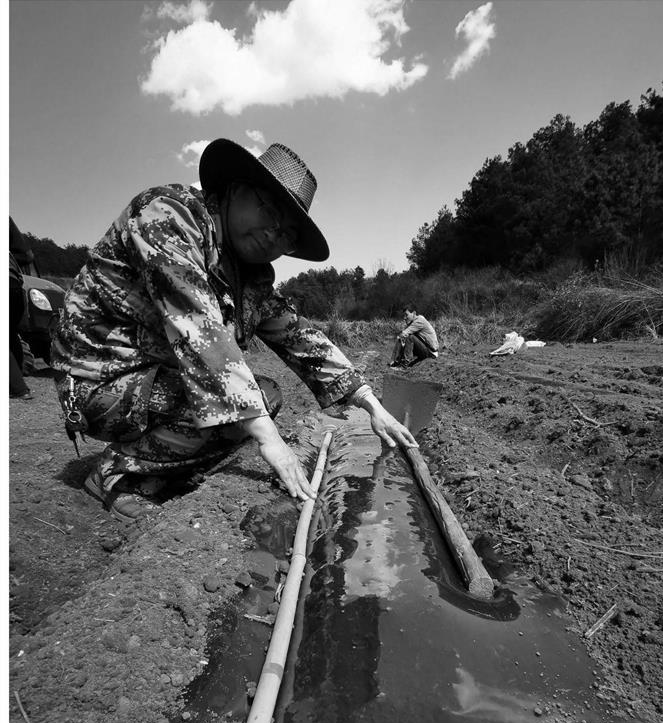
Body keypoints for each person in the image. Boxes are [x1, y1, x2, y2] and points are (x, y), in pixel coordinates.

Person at [50, 139, 416, 521]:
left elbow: (300, 338)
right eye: (269, 210)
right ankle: (115, 475)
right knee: (248, 417)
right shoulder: (168, 215)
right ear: (235, 189)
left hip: (155, 380)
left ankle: (167, 465)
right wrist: (270, 440)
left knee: (264, 398)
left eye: (288, 234)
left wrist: (371, 405)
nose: (275, 234)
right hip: (99, 379)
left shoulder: (250, 277)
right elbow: (199, 328)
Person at [9, 217, 34, 400]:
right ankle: (17, 380)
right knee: (10, 333)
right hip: (15, 282)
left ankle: (19, 389)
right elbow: (27, 256)